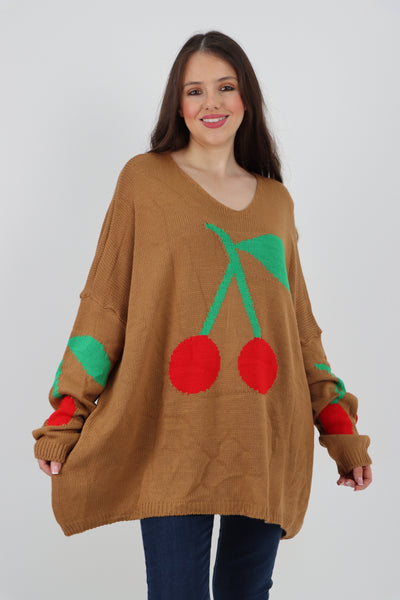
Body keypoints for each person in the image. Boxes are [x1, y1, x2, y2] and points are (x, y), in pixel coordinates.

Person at [32, 30, 373, 600]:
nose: (211, 103)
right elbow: (106, 306)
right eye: (195, 91)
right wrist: (67, 417)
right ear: (178, 104)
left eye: (225, 87)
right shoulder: (143, 181)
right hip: (171, 435)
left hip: (264, 435)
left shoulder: (276, 202)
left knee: (246, 593)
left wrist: (341, 431)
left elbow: (298, 330)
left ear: (247, 98)